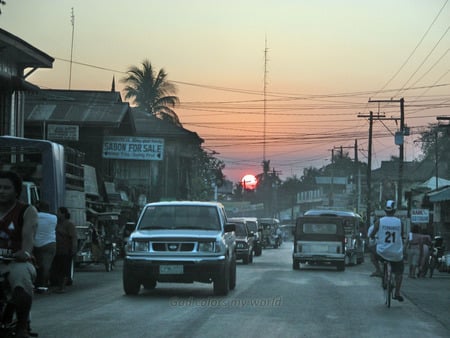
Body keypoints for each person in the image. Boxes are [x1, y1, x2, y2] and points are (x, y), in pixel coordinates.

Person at [0, 170, 38, 338]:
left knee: (21, 278)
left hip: (17, 261)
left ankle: (22, 326)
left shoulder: (27, 211)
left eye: (6, 188)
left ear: (16, 191)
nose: (1, 191)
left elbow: (28, 236)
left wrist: (25, 251)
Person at [370, 200, 405, 302]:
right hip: (396, 253)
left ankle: (378, 270)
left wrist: (373, 236)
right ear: (394, 211)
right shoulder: (400, 222)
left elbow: (372, 234)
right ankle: (397, 292)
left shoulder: (379, 221)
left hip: (382, 252)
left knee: (372, 250)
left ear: (385, 210)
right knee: (399, 272)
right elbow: (402, 235)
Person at [52, 207, 77, 293]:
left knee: (64, 269)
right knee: (57, 268)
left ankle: (62, 287)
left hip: (66, 250)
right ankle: (58, 286)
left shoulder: (69, 224)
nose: (57, 214)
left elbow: (73, 237)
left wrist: (74, 248)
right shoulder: (57, 223)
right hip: (57, 249)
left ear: (63, 214)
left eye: (59, 212)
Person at [33, 200, 57, 290]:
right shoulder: (54, 217)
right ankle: (43, 284)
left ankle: (36, 283)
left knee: (36, 265)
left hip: (35, 244)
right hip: (49, 244)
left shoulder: (35, 216)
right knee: (47, 265)